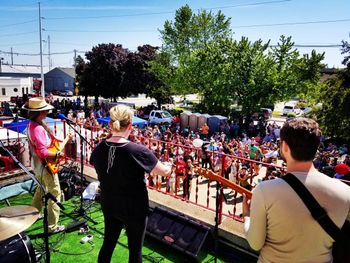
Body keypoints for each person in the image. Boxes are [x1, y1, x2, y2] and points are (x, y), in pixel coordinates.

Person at [242, 117, 350, 262]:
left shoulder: (265, 190)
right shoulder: (345, 191)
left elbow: (255, 243)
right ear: (316, 147)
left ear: (284, 147)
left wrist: (247, 215)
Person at [90, 105, 171, 263]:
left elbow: (97, 163)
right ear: (131, 125)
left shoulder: (99, 147)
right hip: (134, 207)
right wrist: (169, 166)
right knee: (135, 250)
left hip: (109, 202)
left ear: (110, 124)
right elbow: (164, 172)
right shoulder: (138, 151)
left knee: (108, 243)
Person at [23, 97, 72, 233]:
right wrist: (57, 155)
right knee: (54, 193)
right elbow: (44, 152)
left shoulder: (32, 124)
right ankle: (52, 227)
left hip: (37, 166)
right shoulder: (38, 128)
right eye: (45, 110)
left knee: (40, 190)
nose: (47, 112)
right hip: (45, 167)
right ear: (40, 113)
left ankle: (33, 213)